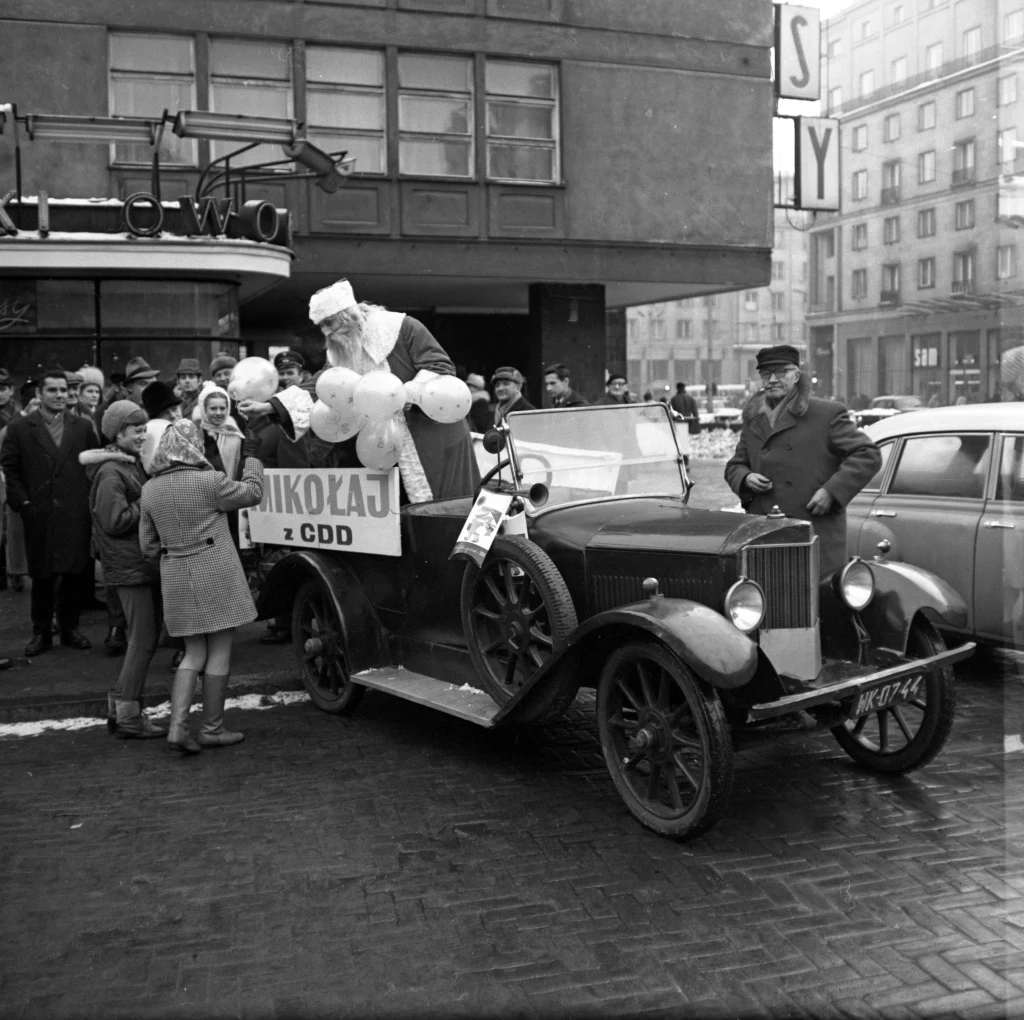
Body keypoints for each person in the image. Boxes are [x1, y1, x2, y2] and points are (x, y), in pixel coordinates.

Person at [242, 279, 479, 503]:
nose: (325, 333)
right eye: (321, 326)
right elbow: (321, 385)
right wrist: (270, 406)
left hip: (431, 433)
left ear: (347, 316)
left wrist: (410, 394)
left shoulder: (402, 327)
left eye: (329, 323)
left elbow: (439, 366)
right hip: (384, 444)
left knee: (448, 504)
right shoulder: (341, 352)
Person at [139, 419, 265, 754]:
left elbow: (148, 548)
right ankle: (212, 728)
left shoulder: (149, 489)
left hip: (176, 576)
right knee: (220, 651)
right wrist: (251, 457)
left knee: (193, 653)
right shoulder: (209, 481)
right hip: (216, 571)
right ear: (193, 445)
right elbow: (253, 493)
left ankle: (178, 727)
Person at [724, 345, 881, 578]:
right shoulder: (754, 418)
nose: (773, 379)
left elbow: (867, 453)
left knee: (817, 607)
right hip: (764, 535)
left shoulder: (826, 413)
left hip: (813, 536)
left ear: (797, 375)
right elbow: (735, 465)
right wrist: (745, 478)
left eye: (781, 372)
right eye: (766, 374)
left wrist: (831, 492)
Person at [81, 401, 166, 739]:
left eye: (145, 429)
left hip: (137, 564)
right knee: (143, 640)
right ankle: (129, 716)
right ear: (118, 434)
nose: (144, 436)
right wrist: (147, 498)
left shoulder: (124, 466)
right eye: (137, 431)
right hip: (130, 566)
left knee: (143, 639)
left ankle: (121, 708)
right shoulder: (111, 472)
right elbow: (114, 521)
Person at [0, 367, 100, 655]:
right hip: (38, 512)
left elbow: (92, 466)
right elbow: (11, 469)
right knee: (42, 576)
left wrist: (88, 504)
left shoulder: (81, 427)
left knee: (74, 573)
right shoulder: (20, 428)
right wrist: (24, 504)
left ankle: (70, 629)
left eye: (63, 390)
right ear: (40, 394)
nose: (60, 395)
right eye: (52, 390)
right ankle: (41, 633)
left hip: (74, 512)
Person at [194, 381, 245, 546]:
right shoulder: (195, 435)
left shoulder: (235, 433)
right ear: (204, 409)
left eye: (222, 408)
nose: (218, 413)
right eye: (213, 408)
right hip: (205, 505)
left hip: (233, 500)